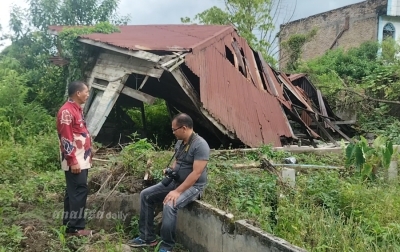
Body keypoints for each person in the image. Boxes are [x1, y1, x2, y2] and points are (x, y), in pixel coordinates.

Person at [128, 113, 210, 252]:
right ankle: (147, 238)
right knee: (145, 195)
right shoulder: (180, 143)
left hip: (193, 186)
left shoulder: (200, 145)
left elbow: (196, 174)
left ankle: (167, 246)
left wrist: (177, 192)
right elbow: (177, 161)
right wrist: (170, 170)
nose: (172, 132)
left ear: (183, 128)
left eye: (174, 129)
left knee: (170, 204)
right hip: (176, 181)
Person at [56, 80, 94, 237]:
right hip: (75, 159)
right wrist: (72, 161)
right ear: (78, 93)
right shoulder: (66, 112)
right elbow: (66, 138)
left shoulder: (77, 109)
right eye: (86, 91)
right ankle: (77, 228)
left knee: (73, 192)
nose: (87, 94)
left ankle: (68, 225)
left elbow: (80, 133)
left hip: (80, 158)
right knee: (79, 190)